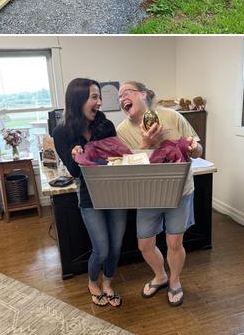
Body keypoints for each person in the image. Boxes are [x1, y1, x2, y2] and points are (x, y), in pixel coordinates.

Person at [115, 81, 202, 307]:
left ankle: (174, 280)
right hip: (147, 193)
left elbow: (199, 148)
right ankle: (160, 275)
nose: (122, 97)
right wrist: (146, 142)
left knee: (174, 242)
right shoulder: (122, 130)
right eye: (119, 97)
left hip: (179, 191)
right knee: (144, 244)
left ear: (143, 94)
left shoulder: (172, 117)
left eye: (127, 92)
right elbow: (127, 166)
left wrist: (193, 149)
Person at [53, 78, 127, 307]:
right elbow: (75, 171)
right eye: (94, 97)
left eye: (99, 97)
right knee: (102, 248)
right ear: (78, 100)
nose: (99, 102)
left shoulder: (105, 125)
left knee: (115, 247)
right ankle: (93, 282)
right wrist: (77, 156)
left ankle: (107, 283)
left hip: (116, 192)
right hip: (88, 195)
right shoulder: (62, 132)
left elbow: (117, 159)